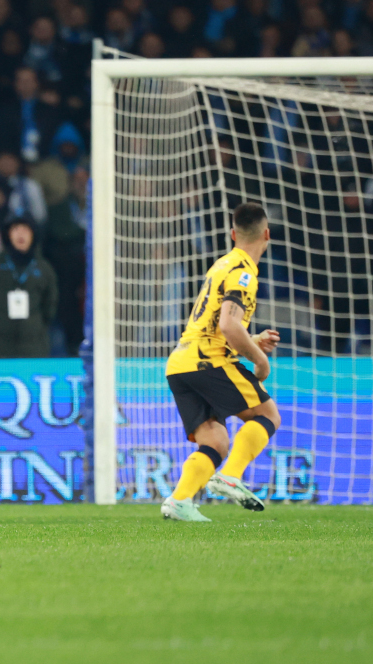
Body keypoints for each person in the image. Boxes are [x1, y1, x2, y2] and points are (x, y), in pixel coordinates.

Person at [161, 201, 282, 522]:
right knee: (267, 414)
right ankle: (231, 477)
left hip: (180, 363)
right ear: (267, 234)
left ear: (232, 234)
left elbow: (214, 324)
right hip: (207, 361)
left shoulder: (221, 265)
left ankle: (180, 500)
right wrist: (260, 361)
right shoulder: (243, 272)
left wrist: (251, 340)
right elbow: (229, 325)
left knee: (214, 440)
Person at [0, 215, 59, 358]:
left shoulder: (44, 269)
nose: (21, 235)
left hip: (33, 349)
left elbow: (49, 308)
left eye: (26, 230)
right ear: (7, 234)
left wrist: (36, 330)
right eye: (16, 229)